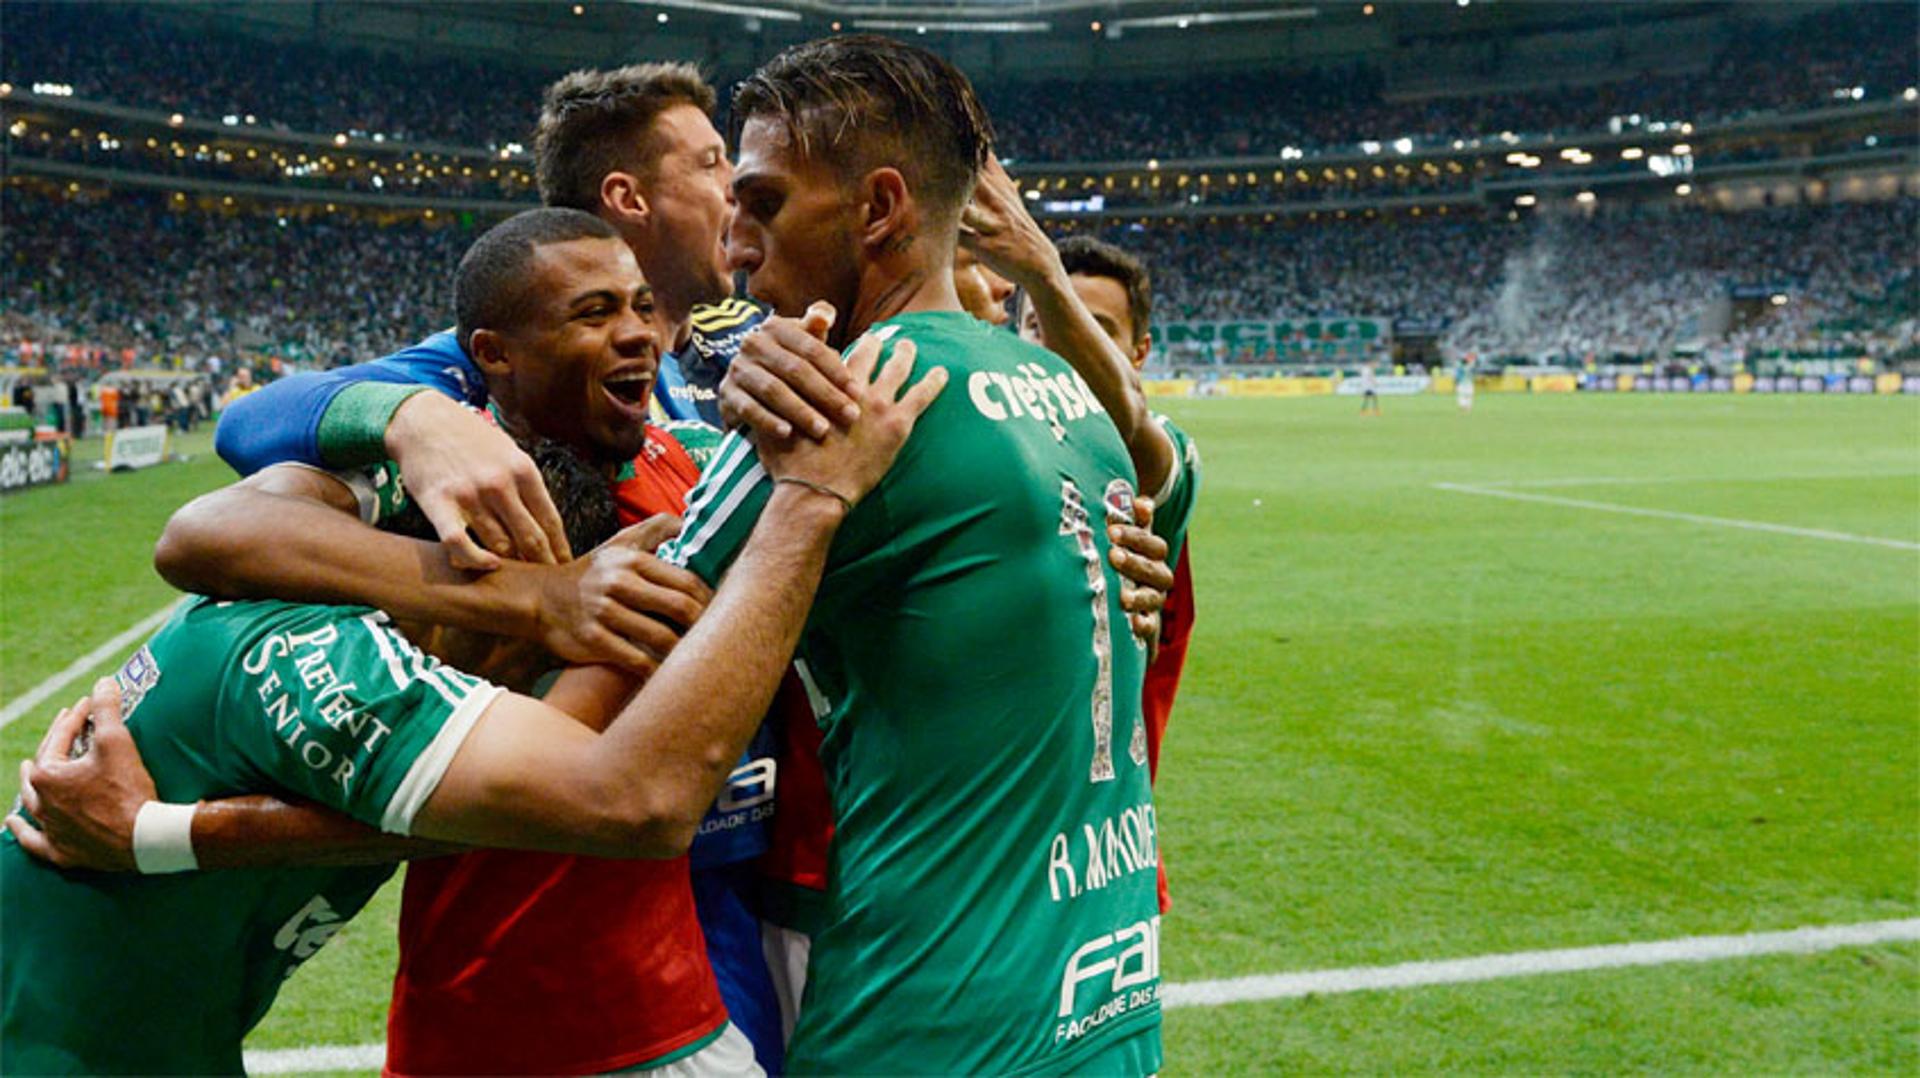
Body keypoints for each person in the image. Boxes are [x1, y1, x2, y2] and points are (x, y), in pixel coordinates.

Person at [0, 208, 944, 1076]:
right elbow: (621, 793)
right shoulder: (357, 603)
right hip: (91, 1035)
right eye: (595, 309)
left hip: (174, 1019)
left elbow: (474, 804)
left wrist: (162, 839)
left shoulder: (659, 459)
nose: (641, 332)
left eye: (644, 308)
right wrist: (536, 599)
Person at [669, 35, 1162, 1074]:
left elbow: (613, 667)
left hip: (929, 1019)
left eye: (761, 201)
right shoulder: (1071, 392)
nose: (734, 238)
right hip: (1104, 1001)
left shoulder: (841, 404)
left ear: (879, 208)